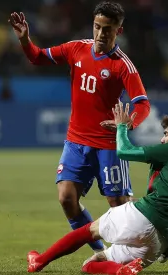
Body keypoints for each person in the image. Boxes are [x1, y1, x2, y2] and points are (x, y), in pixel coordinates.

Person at [8, 1, 151, 253]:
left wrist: (128, 124)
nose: (100, 34)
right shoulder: (76, 49)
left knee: (119, 206)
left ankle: (144, 242)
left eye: (107, 29)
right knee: (66, 198)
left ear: (118, 30)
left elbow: (142, 104)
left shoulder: (122, 65)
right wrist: (25, 40)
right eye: (97, 27)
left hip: (108, 144)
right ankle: (100, 252)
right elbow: (38, 57)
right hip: (76, 141)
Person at [26, 101, 168, 275]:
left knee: (87, 232)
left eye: (166, 134)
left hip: (145, 219)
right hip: (160, 245)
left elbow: (124, 152)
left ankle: (39, 261)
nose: (162, 139)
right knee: (91, 264)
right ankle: (121, 271)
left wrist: (121, 127)